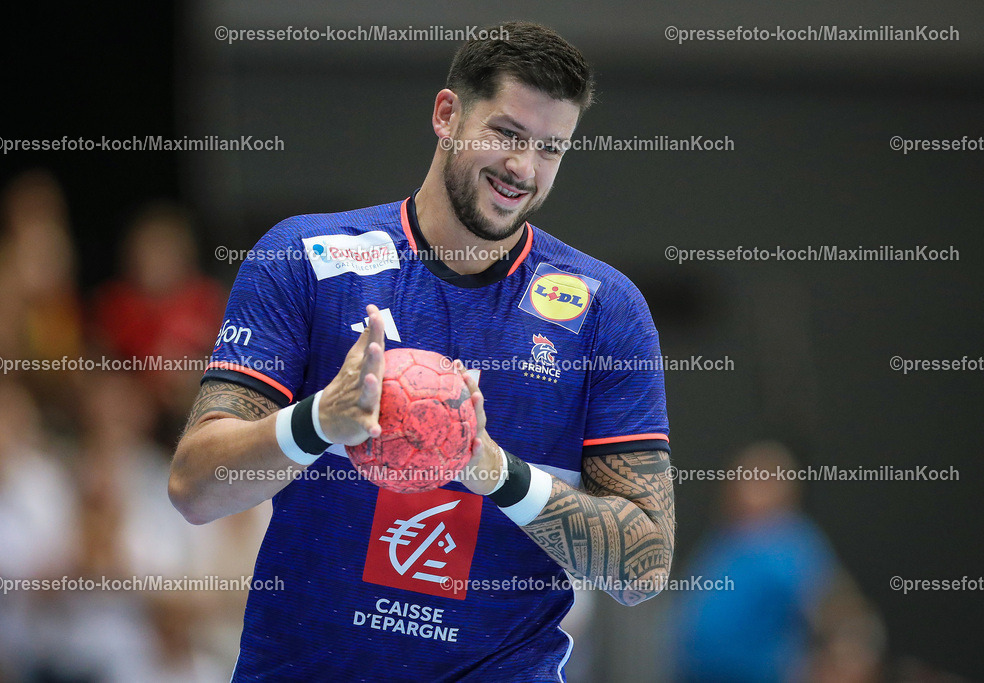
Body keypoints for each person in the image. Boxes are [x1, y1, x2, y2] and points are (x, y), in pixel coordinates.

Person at [170, 22, 675, 681]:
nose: (523, 169)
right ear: (446, 115)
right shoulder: (304, 260)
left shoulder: (607, 311)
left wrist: (494, 471)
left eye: (550, 148)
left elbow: (643, 568)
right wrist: (319, 419)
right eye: (507, 134)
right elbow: (194, 489)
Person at [670, 441, 884, 682]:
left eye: (763, 479)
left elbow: (840, 610)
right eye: (742, 477)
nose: (748, 488)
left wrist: (848, 654)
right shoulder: (724, 541)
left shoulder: (791, 541)